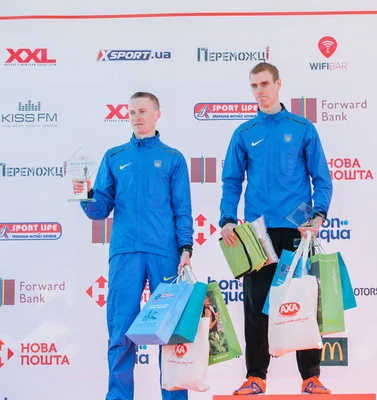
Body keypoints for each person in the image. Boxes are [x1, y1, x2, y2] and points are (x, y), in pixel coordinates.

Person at [219, 62, 333, 395]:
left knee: (303, 304)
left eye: (265, 84)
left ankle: (310, 377)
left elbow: (322, 180)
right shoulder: (243, 133)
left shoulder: (302, 127)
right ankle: (256, 376)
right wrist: (227, 218)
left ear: (279, 84)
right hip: (258, 235)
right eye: (254, 86)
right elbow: (231, 181)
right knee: (256, 308)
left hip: (298, 232)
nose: (260, 91)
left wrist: (318, 216)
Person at [73, 92, 194, 400]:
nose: (136, 117)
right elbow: (99, 210)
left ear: (157, 115)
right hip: (125, 252)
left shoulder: (172, 158)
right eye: (131, 112)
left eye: (142, 111)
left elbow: (182, 208)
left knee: (171, 332)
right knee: (121, 331)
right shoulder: (114, 157)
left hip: (164, 253)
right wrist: (86, 194)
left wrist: (186, 248)